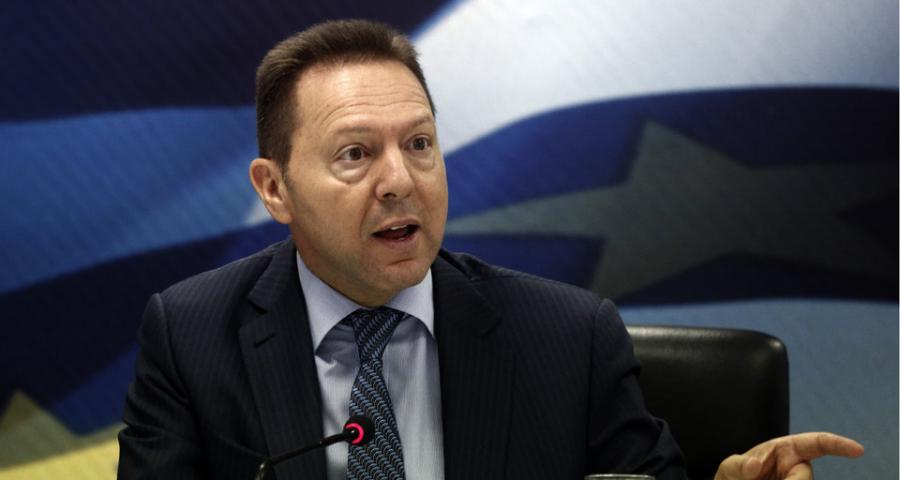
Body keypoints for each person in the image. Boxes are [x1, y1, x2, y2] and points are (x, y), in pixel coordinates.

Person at [117, 19, 863, 480]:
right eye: (355, 154)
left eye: (419, 144)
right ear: (274, 188)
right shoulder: (193, 336)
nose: (400, 181)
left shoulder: (568, 337)